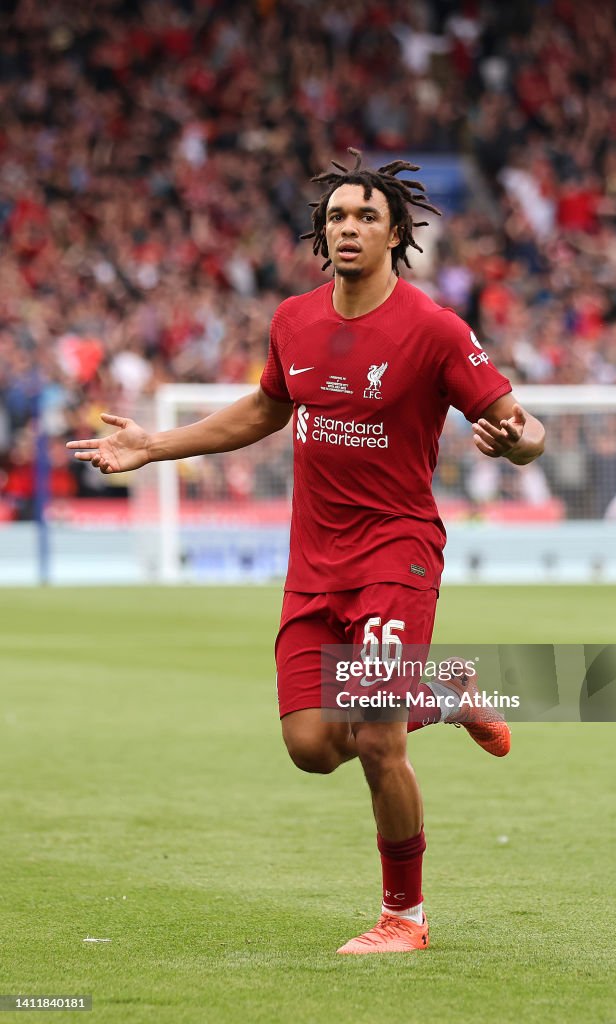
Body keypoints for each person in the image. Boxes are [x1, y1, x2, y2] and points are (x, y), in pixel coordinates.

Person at [67, 150, 545, 954]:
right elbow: (263, 408)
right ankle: (448, 692)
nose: (348, 228)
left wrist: (515, 444)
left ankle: (405, 917)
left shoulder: (432, 328)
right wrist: (156, 448)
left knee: (376, 738)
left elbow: (520, 425)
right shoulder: (294, 319)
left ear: (395, 233)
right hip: (314, 564)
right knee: (313, 746)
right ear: (321, 236)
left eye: (364, 216)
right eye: (336, 218)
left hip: (397, 556)